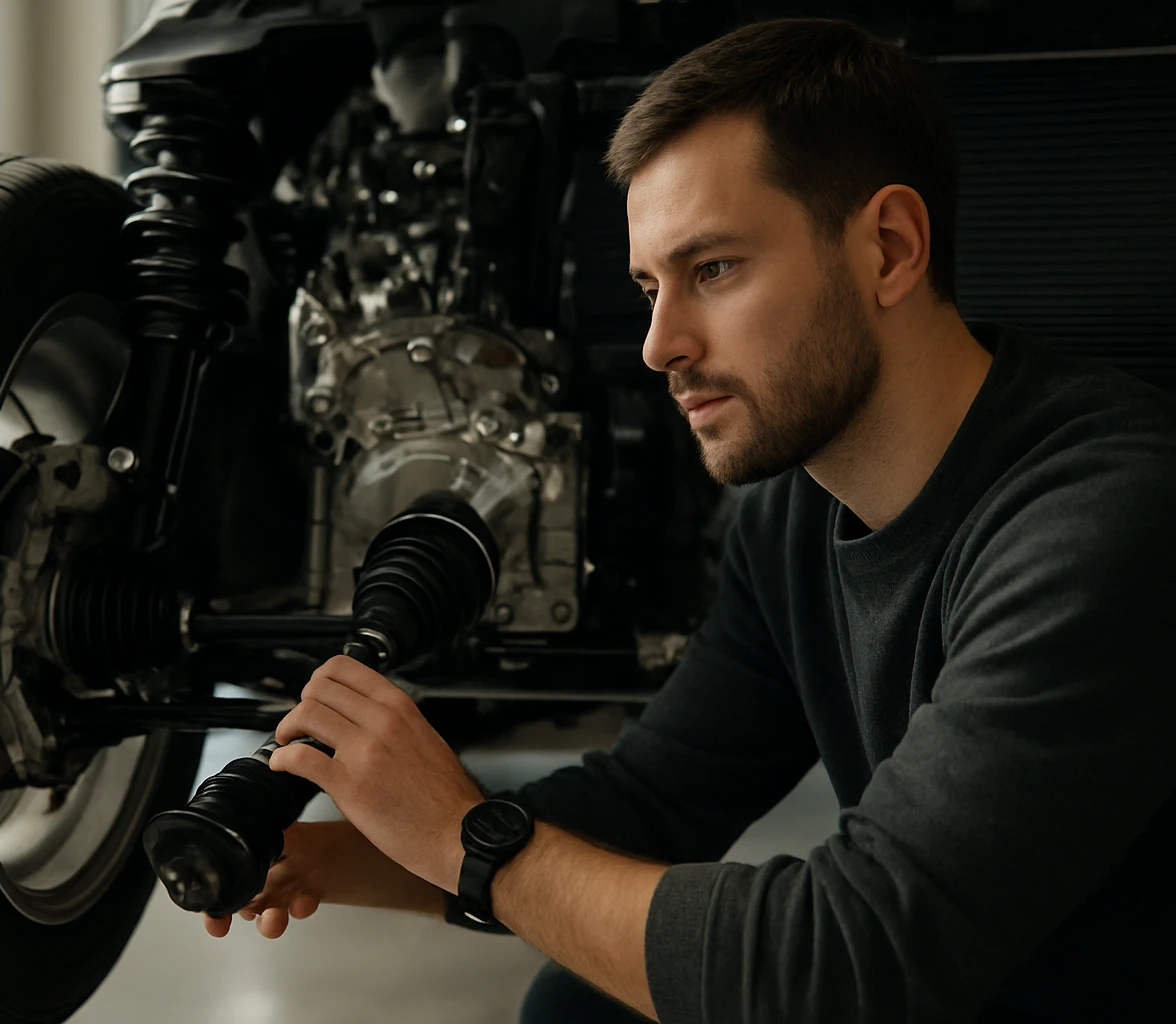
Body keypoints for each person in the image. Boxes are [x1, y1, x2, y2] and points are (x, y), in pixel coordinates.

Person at [195, 17, 1176, 1023]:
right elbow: (651, 804)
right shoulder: (796, 511)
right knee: (580, 1006)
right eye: (648, 286)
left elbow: (854, 958)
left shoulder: (1104, 514)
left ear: (889, 248)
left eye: (714, 269)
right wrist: (340, 849)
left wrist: (463, 837)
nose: (661, 343)